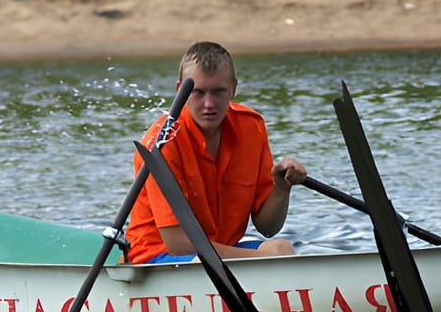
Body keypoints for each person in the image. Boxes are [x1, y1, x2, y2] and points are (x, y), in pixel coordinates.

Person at [126, 42, 307, 264]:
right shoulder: (162, 142)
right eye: (198, 93)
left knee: (282, 247)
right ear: (180, 91)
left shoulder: (252, 126)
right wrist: (259, 258)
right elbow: (177, 243)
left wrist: (281, 188)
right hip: (158, 257)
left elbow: (267, 228)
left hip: (219, 253)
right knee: (201, 264)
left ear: (233, 89)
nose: (209, 104)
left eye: (218, 92)